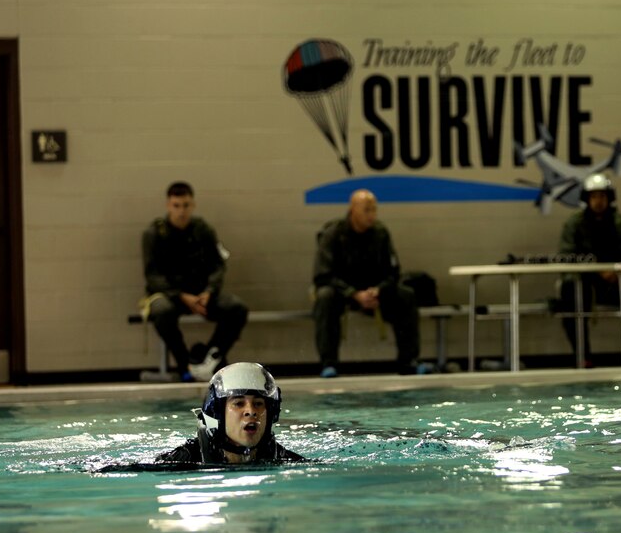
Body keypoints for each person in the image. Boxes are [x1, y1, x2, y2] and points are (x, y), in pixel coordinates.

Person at [312, 189, 429, 378]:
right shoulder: (332, 234)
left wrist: (378, 291)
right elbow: (322, 276)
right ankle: (328, 363)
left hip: (374, 292)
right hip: (343, 293)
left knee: (406, 295)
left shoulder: (380, 233)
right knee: (325, 297)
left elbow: (393, 272)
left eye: (374, 210)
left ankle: (409, 361)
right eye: (367, 210)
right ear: (353, 210)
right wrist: (353, 293)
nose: (372, 215)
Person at [142, 181, 248, 382]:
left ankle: (208, 358)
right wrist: (181, 296)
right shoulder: (154, 234)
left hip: (201, 294)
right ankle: (185, 364)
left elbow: (218, 265)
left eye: (186, 205)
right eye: (176, 206)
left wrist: (209, 291)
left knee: (237, 308)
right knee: (161, 311)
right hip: (171, 295)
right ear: (168, 205)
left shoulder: (202, 229)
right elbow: (153, 276)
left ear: (193, 205)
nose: (181, 211)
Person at [557, 174, 621, 367]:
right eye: (594, 196)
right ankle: (583, 356)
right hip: (586, 284)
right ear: (587, 199)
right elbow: (566, 257)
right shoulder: (575, 224)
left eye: (602, 196)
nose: (598, 201)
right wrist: (596, 271)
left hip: (618, 283)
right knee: (569, 288)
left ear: (609, 198)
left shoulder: (620, 223)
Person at [156, 362, 304, 464]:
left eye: (258, 404)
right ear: (217, 413)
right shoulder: (181, 462)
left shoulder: (287, 460)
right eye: (239, 404)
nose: (251, 412)